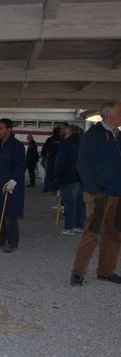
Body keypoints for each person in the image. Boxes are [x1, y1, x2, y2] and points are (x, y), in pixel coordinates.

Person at [70, 101, 121, 286]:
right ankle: (78, 272)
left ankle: (106, 271)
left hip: (117, 194)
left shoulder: (118, 136)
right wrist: (94, 189)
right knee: (92, 232)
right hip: (100, 194)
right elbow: (82, 165)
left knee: (114, 234)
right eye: (120, 112)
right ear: (109, 115)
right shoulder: (93, 135)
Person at [0, 118, 26, 253]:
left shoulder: (17, 146)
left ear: (9, 130)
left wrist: (13, 181)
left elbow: (21, 166)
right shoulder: (0, 146)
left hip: (11, 187)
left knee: (9, 215)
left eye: (1, 128)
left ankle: (13, 242)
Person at [54, 124, 85, 235]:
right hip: (80, 177)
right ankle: (79, 225)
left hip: (68, 177)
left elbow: (61, 161)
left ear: (69, 131)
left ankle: (69, 227)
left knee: (69, 203)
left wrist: (57, 176)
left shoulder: (66, 143)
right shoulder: (83, 143)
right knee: (79, 203)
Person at [40, 126, 62, 193]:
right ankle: (55, 189)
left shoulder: (49, 139)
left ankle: (47, 188)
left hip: (50, 158)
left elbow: (43, 150)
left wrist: (42, 160)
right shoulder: (62, 140)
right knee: (56, 175)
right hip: (58, 160)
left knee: (48, 174)